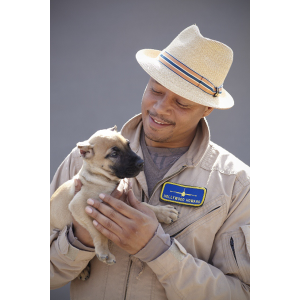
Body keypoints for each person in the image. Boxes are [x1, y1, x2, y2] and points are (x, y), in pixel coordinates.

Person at [50, 25, 250, 299]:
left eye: (181, 103)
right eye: (156, 90)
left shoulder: (237, 185)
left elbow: (240, 293)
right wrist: (82, 237)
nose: (160, 108)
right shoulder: (85, 160)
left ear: (207, 109)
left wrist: (158, 250)